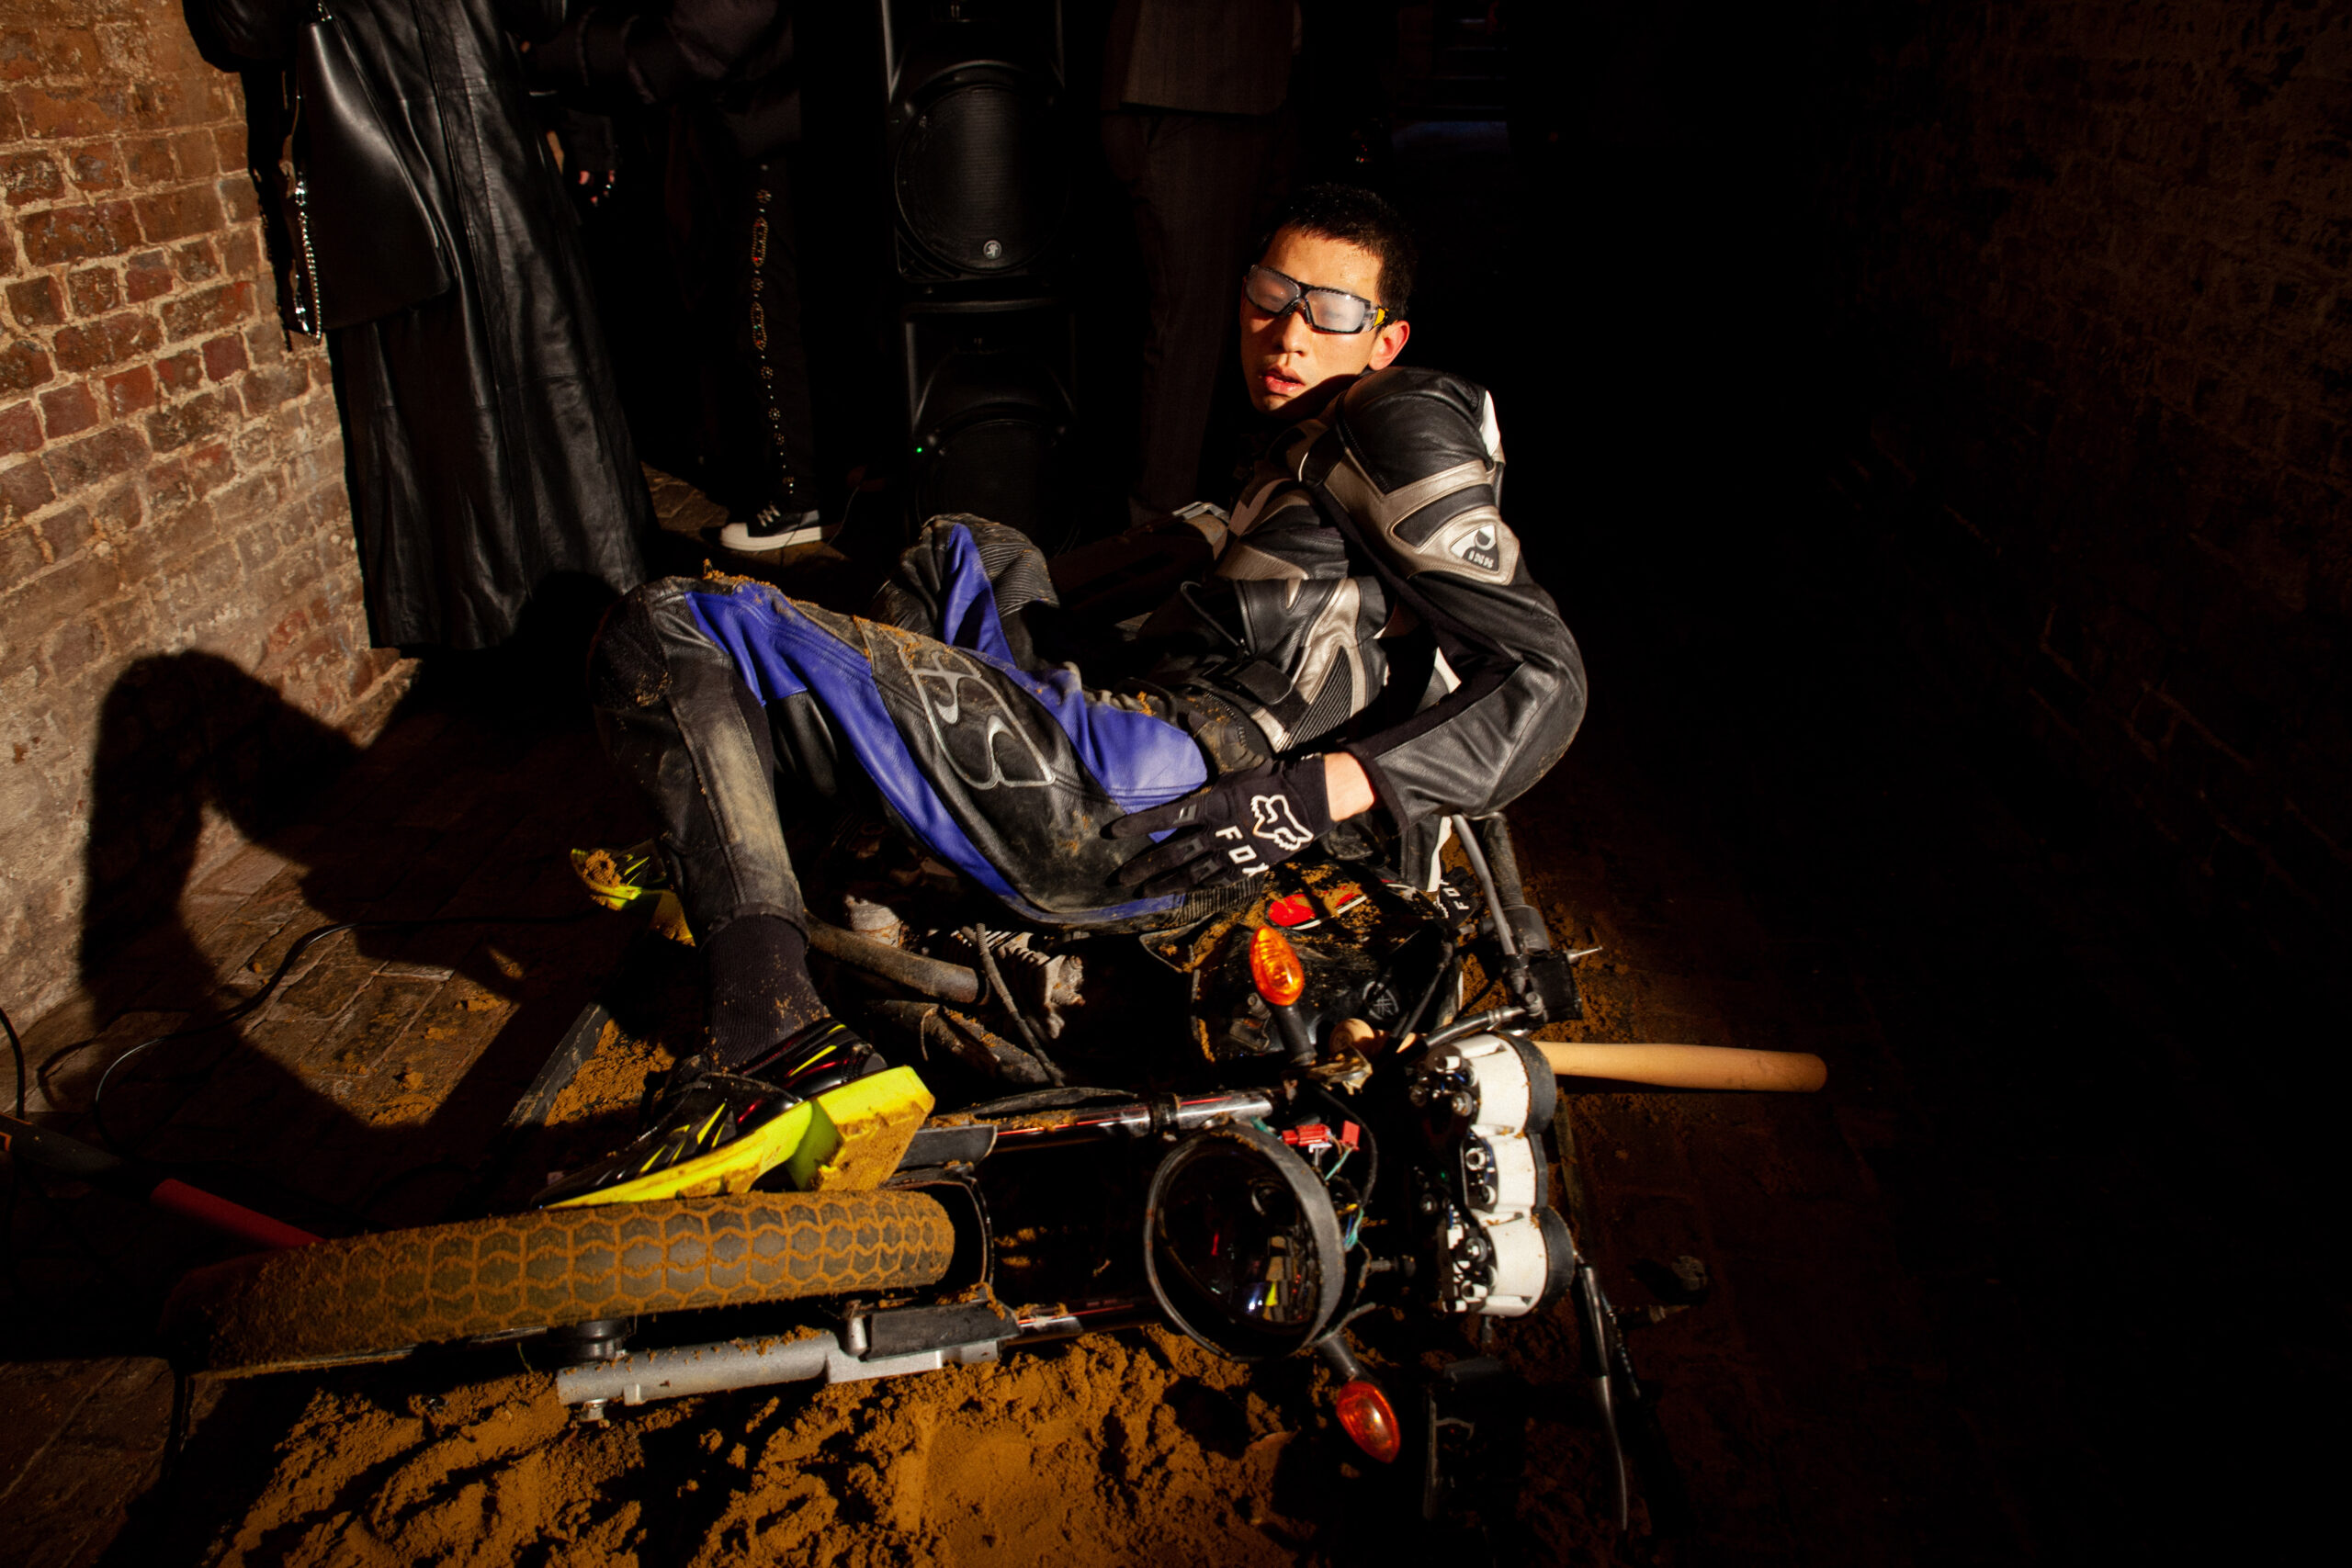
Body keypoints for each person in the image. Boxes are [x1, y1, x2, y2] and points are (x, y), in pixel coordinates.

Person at [548, 184, 1585, 1201]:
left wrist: (1314, 795)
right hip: (1141, 741)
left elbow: (1544, 676)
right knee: (964, 549)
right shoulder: (1303, 445)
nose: (1289, 333)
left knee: (665, 624)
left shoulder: (1400, 411)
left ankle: (769, 1037)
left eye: (1332, 312)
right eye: (1271, 294)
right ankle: (767, 825)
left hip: (1147, 789)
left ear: (1387, 341)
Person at [197, 0, 651, 650]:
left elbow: (244, 27)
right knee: (518, 399)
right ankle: (580, 612)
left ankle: (516, 626)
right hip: (441, 175)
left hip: (412, 176)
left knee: (474, 409)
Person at [526, 0, 823, 551]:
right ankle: (812, 480)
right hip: (761, 119)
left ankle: (798, 494)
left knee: (763, 308)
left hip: (771, 121)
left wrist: (547, 50)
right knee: (767, 303)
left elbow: (698, 41)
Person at [1101, 0, 1298, 529]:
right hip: (1197, 79)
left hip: (1268, 75)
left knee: (1276, 311)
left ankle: (1243, 519)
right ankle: (1158, 541)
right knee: (1195, 326)